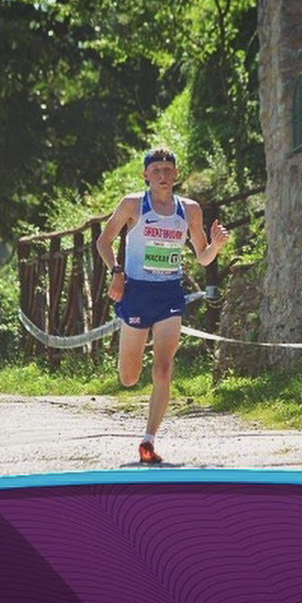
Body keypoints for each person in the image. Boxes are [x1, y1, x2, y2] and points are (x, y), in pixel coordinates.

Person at [96, 147, 229, 464]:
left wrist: (216, 246)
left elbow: (202, 256)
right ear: (145, 175)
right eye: (156, 170)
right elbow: (103, 241)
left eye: (168, 170)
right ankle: (130, 359)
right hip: (137, 291)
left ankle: (149, 440)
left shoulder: (190, 210)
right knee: (128, 377)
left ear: (176, 174)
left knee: (164, 368)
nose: (163, 175)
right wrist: (117, 272)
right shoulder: (132, 205)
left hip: (170, 292)